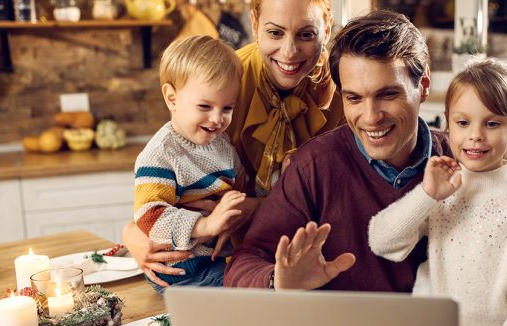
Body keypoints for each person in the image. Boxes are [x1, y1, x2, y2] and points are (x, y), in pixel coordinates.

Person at [224, 10, 507, 326]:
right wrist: (279, 282)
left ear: (422, 87)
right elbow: (245, 263)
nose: (370, 117)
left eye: (387, 94)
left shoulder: (469, 159)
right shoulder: (314, 167)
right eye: (354, 98)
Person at [123, 0, 344, 288]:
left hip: (312, 251)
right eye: (275, 33)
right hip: (227, 258)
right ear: (254, 24)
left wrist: (259, 203)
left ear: (326, 28)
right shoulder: (226, 76)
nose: (289, 52)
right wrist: (132, 232)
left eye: (306, 34)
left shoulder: (347, 85)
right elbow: (171, 181)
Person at [367, 58, 507, 326]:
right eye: (463, 122)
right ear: (448, 123)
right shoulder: (441, 186)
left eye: (492, 123)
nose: (476, 136)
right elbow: (382, 241)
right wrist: (428, 195)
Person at [133, 35, 246, 292]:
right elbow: (150, 216)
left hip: (216, 260)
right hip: (180, 272)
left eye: (227, 108)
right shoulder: (161, 153)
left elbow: (241, 187)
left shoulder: (222, 146)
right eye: (205, 106)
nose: (217, 118)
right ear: (172, 99)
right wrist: (207, 224)